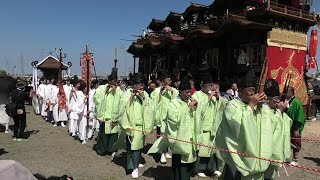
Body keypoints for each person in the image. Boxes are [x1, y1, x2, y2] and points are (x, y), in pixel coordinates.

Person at [215, 72, 273, 180]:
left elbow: (267, 127)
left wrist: (261, 108)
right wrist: (251, 106)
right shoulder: (231, 106)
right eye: (250, 90)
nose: (253, 93)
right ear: (240, 91)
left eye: (254, 90)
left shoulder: (257, 106)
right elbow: (239, 127)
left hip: (255, 154)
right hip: (237, 154)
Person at [115, 74, 154, 179]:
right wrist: (131, 99)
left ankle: (134, 165)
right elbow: (122, 108)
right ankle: (133, 167)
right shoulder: (126, 94)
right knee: (132, 147)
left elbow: (150, 107)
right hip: (130, 125)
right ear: (134, 85)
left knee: (138, 146)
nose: (142, 87)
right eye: (140, 85)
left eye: (142, 85)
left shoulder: (145, 93)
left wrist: (144, 98)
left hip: (140, 124)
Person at [192, 74, 223, 178]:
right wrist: (208, 99)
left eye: (211, 85)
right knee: (202, 150)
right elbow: (198, 110)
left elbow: (220, 108)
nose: (210, 87)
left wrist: (218, 98)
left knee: (212, 150)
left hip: (212, 127)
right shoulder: (197, 94)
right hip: (203, 127)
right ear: (202, 86)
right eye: (208, 85)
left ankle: (211, 169)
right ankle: (200, 169)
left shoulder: (214, 96)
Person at [263, 79, 292, 180]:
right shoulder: (263, 110)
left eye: (278, 98)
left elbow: (287, 123)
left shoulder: (275, 110)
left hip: (276, 151)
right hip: (266, 153)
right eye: (275, 99)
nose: (277, 101)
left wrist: (282, 111)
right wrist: (279, 111)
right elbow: (269, 127)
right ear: (267, 99)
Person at [150, 73, 178, 164]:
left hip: (169, 116)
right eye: (166, 79)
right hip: (160, 116)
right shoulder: (156, 91)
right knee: (161, 134)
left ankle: (166, 151)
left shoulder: (174, 90)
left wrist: (172, 92)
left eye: (169, 80)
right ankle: (160, 153)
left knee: (168, 134)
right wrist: (160, 94)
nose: (168, 81)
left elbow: (177, 100)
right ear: (162, 81)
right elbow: (153, 103)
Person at [94, 75, 124, 157]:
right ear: (109, 81)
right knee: (103, 135)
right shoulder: (101, 88)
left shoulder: (118, 90)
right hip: (105, 116)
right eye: (114, 81)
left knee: (113, 135)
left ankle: (112, 150)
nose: (115, 83)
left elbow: (122, 100)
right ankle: (101, 150)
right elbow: (96, 99)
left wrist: (116, 92)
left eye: (116, 81)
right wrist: (105, 92)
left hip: (114, 116)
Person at [286, 86, 305, 166]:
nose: (285, 93)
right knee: (287, 142)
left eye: (287, 92)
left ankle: (295, 159)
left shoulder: (296, 102)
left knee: (295, 142)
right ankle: (287, 158)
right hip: (287, 126)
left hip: (294, 126)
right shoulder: (286, 101)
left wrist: (297, 129)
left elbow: (299, 116)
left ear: (291, 93)